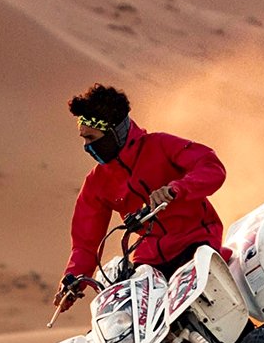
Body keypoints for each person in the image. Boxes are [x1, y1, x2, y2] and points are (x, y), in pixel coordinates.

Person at [52, 84, 228, 314]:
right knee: (131, 318)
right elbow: (86, 244)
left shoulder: (160, 145)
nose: (87, 146)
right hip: (150, 258)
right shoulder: (96, 183)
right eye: (83, 139)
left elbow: (212, 168)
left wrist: (177, 189)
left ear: (114, 132)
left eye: (91, 138)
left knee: (209, 311)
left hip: (197, 241)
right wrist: (72, 281)